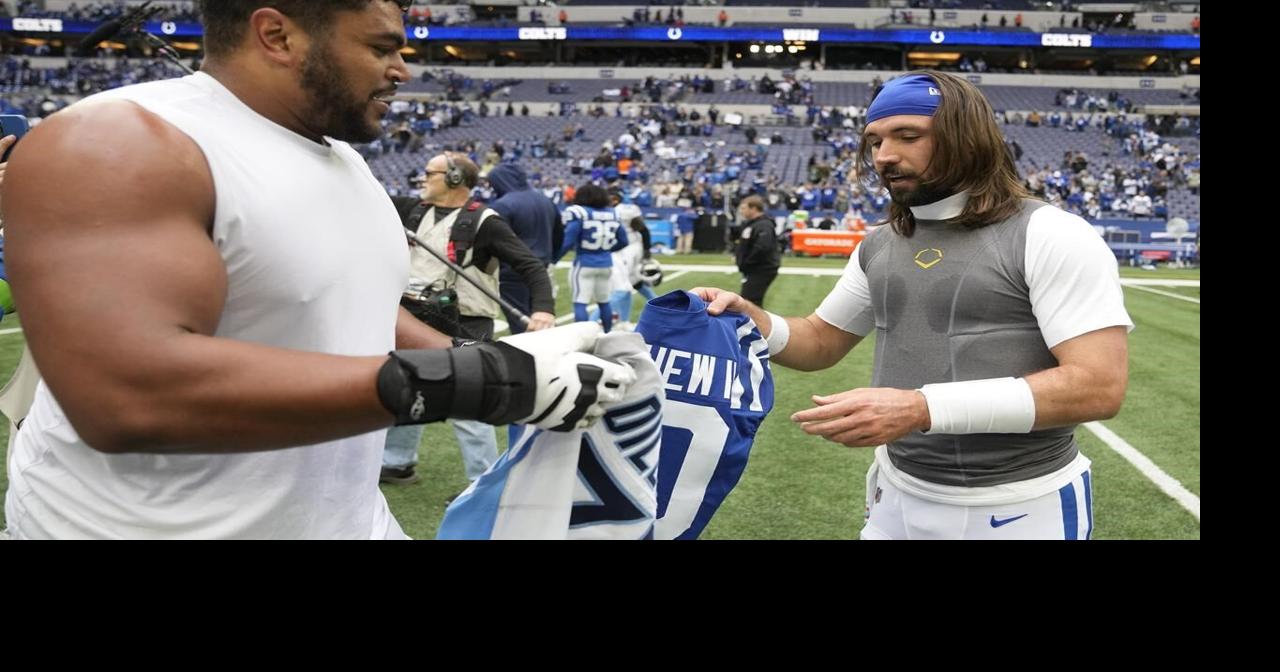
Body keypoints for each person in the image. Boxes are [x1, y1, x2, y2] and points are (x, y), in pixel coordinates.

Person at [0, 0, 632, 540]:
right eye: (382, 47)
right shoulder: (120, 142)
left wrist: (498, 357)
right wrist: (475, 380)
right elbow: (125, 397)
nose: (401, 70)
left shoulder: (345, 160)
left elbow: (343, 303)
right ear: (278, 35)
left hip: (347, 519)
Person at [692, 71, 1132, 540]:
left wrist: (922, 408)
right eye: (875, 140)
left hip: (1020, 503)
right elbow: (820, 341)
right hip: (895, 494)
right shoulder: (880, 243)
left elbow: (1097, 386)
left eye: (908, 136)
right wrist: (753, 319)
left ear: (966, 138)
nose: (884, 156)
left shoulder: (1052, 233)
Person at [382, 151, 557, 485]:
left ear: (454, 178)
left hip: (464, 321)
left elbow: (530, 265)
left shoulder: (485, 221)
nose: (422, 179)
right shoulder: (411, 209)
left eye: (429, 173)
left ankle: (484, 481)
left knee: (470, 399)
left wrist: (543, 309)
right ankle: (397, 463)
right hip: (414, 316)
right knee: (405, 386)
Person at [487, 162, 562, 336]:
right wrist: (552, 258)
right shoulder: (545, 200)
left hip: (513, 272)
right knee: (543, 320)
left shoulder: (502, 205)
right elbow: (559, 234)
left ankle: (529, 361)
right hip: (541, 269)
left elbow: (494, 242)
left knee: (521, 324)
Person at [556, 183, 628, 333]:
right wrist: (606, 250)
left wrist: (554, 258)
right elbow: (623, 240)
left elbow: (568, 241)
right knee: (604, 301)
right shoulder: (613, 213)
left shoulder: (580, 212)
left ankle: (581, 336)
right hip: (606, 264)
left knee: (580, 302)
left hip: (584, 262)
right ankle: (606, 333)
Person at [733, 195, 781, 307]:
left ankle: (759, 324)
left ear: (753, 208)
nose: (741, 211)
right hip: (753, 269)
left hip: (761, 269)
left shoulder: (764, 225)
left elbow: (762, 247)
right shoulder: (751, 224)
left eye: (744, 208)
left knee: (750, 303)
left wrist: (746, 262)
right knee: (750, 301)